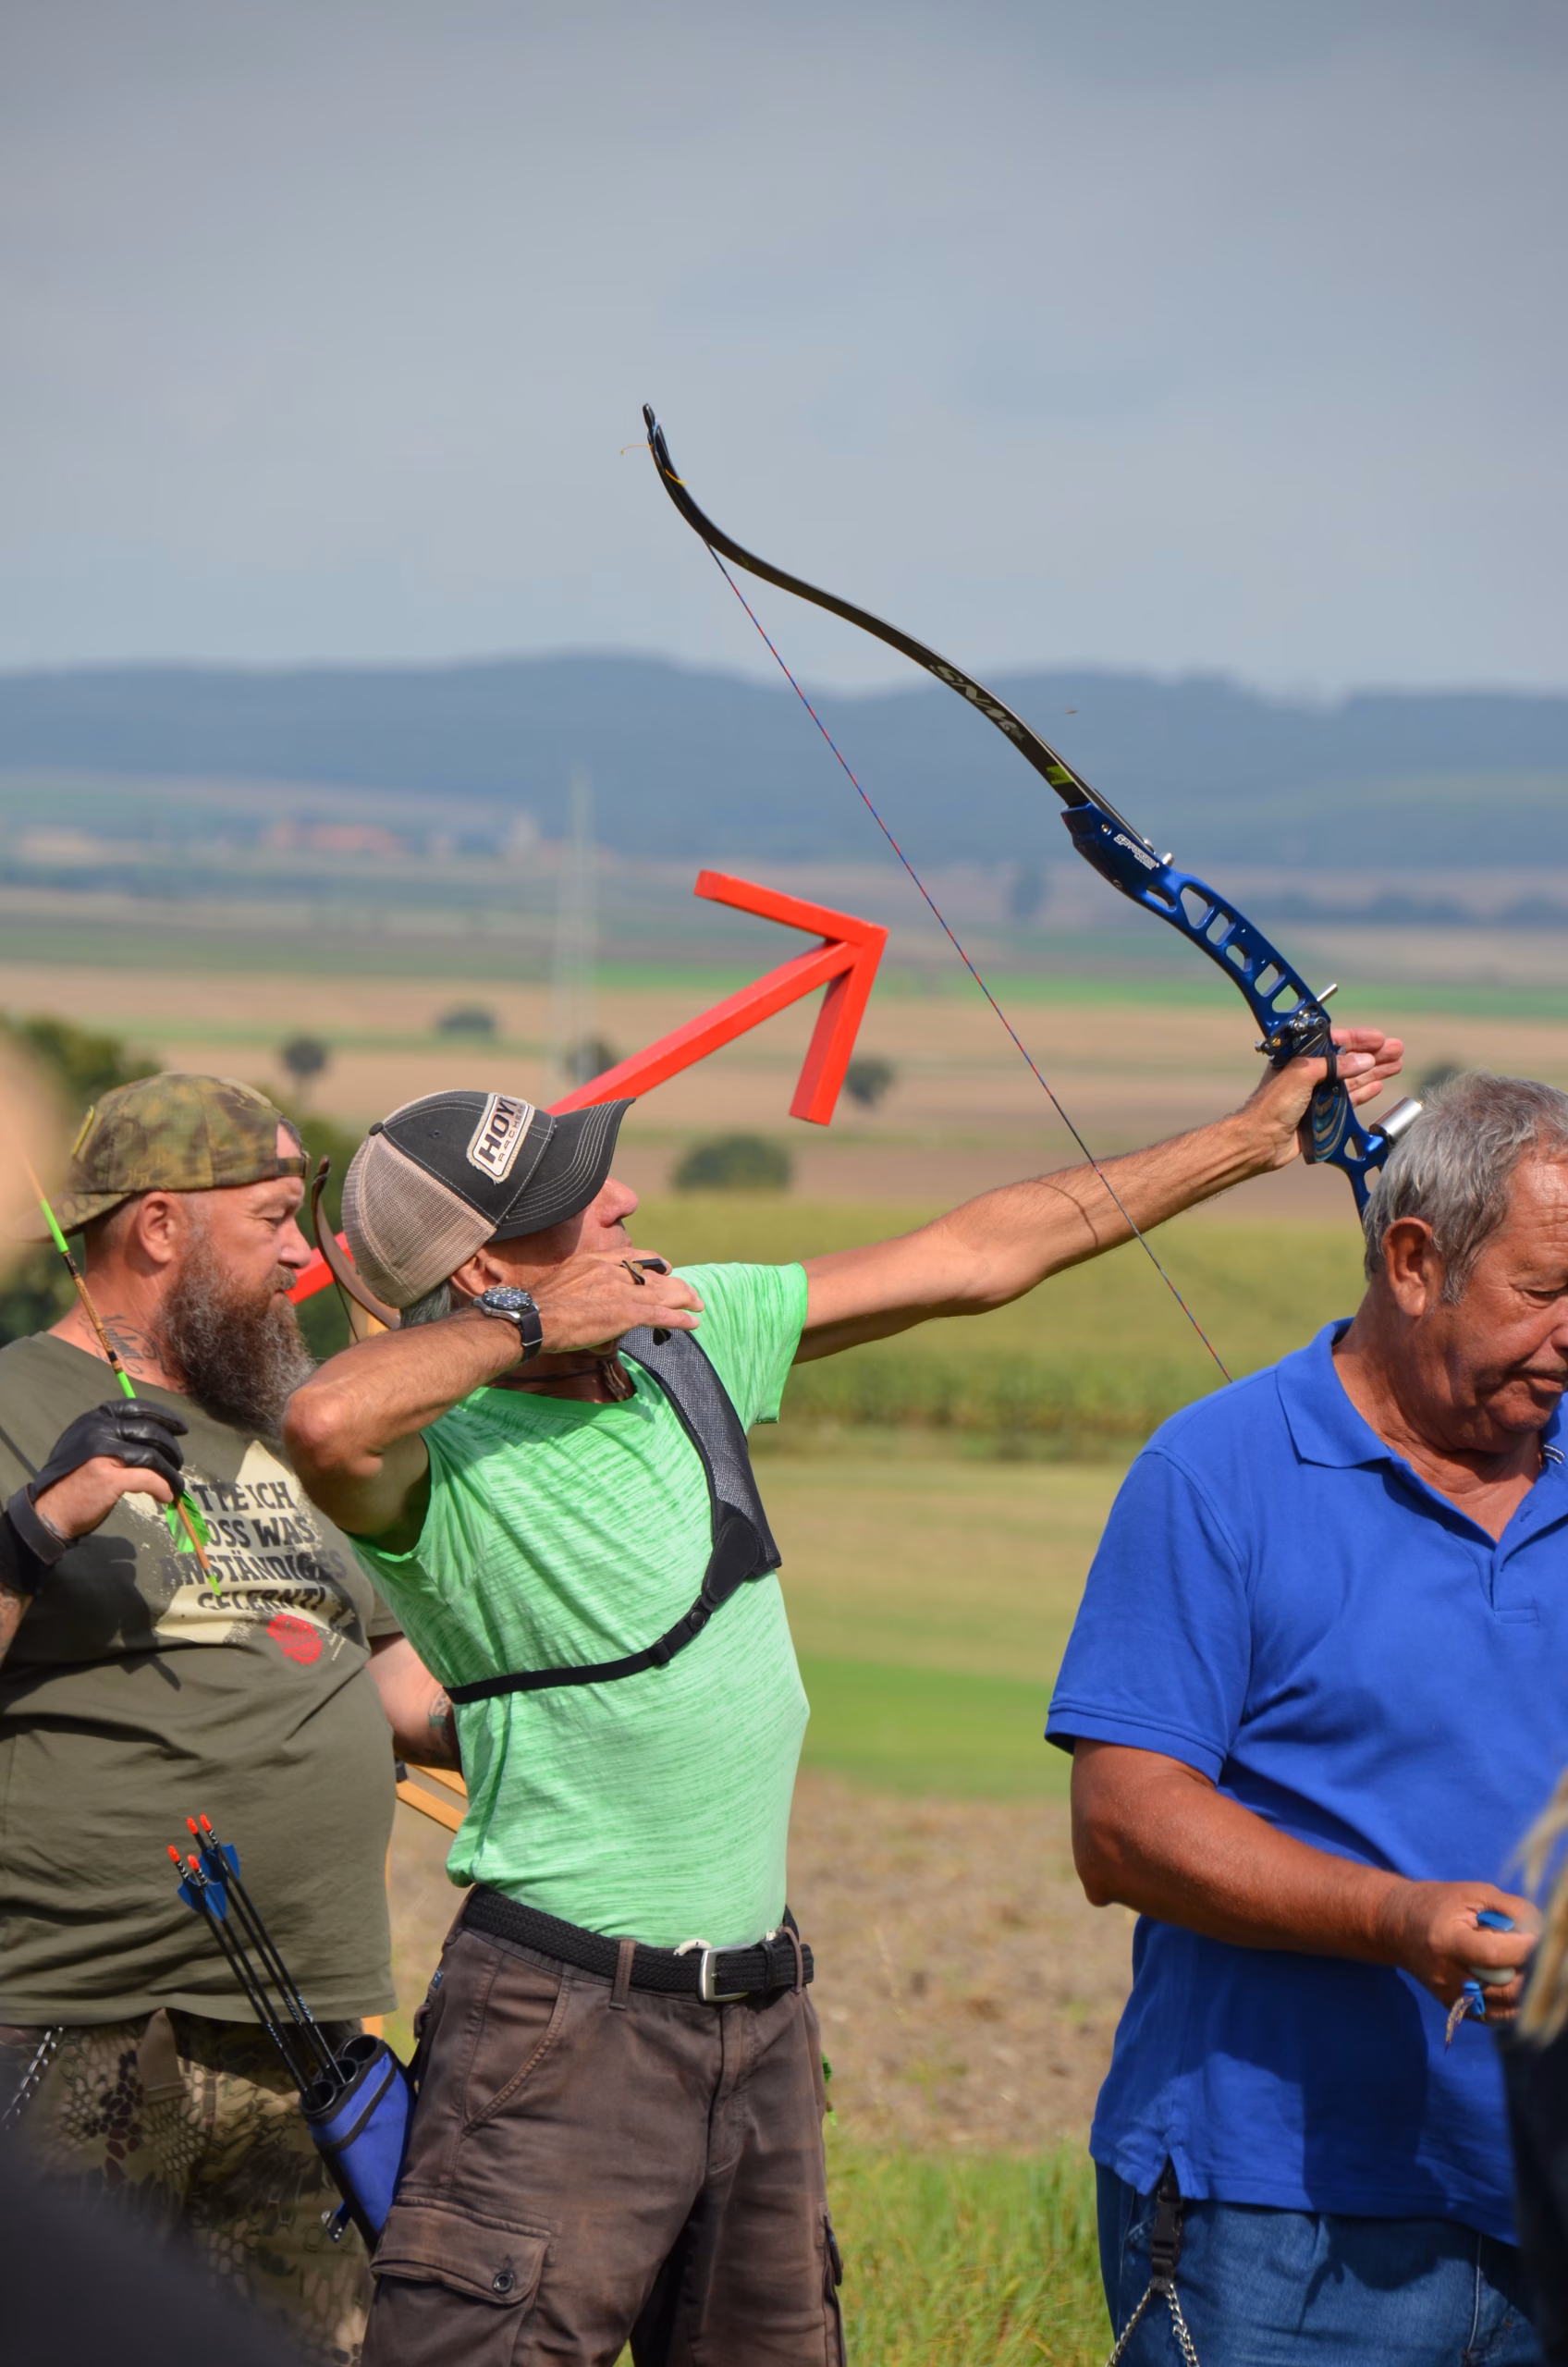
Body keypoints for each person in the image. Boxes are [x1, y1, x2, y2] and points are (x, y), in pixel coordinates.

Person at [282, 1028, 1403, 2367]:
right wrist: (528, 1325)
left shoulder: (681, 1343)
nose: (627, 1202)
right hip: (559, 2030)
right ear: (481, 1270)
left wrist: (1252, 1137)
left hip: (758, 2019)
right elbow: (320, 1424)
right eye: (577, 1206)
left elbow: (977, 1256)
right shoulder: (433, 1460)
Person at [1047, 1070, 1568, 2366]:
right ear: (1412, 1260)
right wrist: (1401, 1921)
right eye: (1545, 1294)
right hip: (1279, 2218)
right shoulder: (1216, 1472)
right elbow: (1124, 1829)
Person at [0, 1073, 455, 2366]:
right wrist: (40, 1524)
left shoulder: (282, 1435)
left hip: (300, 2030)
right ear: (159, 1230)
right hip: (76, 2022)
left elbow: (381, 1672)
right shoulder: (14, 1406)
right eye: (272, 1219)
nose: (304, 1253)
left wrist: (510, 1727)